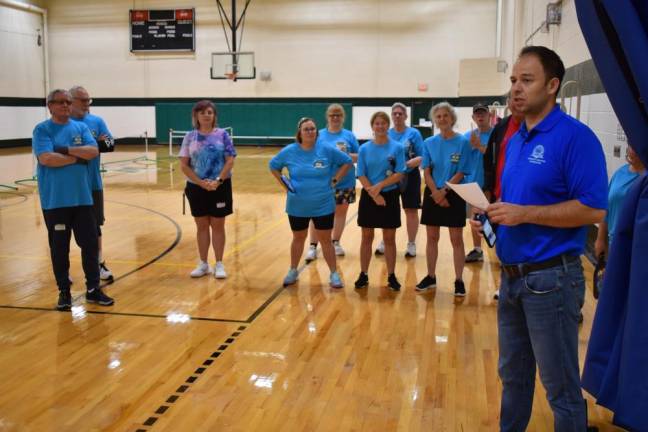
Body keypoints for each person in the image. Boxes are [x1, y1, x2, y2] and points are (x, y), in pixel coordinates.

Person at [471, 46, 608, 431]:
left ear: (552, 86)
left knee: (560, 388)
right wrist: (493, 218)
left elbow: (594, 209)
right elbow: (516, 205)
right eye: (514, 80)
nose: (516, 88)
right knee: (512, 378)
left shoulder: (575, 138)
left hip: (552, 281)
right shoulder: (516, 140)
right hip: (511, 280)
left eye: (526, 80)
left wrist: (524, 214)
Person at [32, 89, 114, 310]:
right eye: (60, 102)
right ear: (49, 106)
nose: (65, 106)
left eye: (68, 102)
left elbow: (94, 151)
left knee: (89, 245)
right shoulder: (42, 130)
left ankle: (93, 289)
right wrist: (76, 158)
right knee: (59, 249)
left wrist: (66, 151)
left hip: (83, 199)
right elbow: (47, 158)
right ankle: (64, 292)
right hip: (56, 201)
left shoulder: (81, 127)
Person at [269, 117, 352, 288]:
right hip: (297, 205)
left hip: (323, 204)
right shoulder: (290, 151)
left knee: (325, 240)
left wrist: (335, 180)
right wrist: (285, 184)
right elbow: (273, 166)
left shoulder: (326, 149)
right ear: (299, 132)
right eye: (306, 129)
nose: (310, 132)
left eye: (313, 128)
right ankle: (293, 270)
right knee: (298, 238)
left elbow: (347, 162)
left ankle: (334, 274)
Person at [415, 102, 471, 297]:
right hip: (432, 192)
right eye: (438, 116)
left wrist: (444, 192)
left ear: (452, 118)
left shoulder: (463, 142)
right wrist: (436, 193)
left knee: (456, 239)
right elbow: (427, 171)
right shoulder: (429, 142)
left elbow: (462, 171)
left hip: (454, 193)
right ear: (434, 120)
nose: (442, 119)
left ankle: (459, 280)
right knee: (432, 238)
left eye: (445, 115)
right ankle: (431, 277)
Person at [179, 100, 236, 279]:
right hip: (197, 187)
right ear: (196, 116)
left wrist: (218, 180)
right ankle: (203, 263)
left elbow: (230, 160)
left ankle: (219, 263)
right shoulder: (190, 137)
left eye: (209, 112)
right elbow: (184, 165)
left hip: (220, 186)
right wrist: (201, 182)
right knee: (201, 225)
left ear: (214, 116)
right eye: (202, 112)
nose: (206, 115)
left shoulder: (223, 135)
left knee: (218, 225)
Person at [355, 111, 406, 291]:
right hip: (370, 197)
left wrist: (381, 187)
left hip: (390, 197)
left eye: (383, 123)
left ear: (388, 125)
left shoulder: (397, 147)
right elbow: (360, 173)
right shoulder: (364, 149)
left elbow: (400, 172)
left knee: (389, 238)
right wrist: (375, 194)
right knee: (366, 237)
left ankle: (391, 275)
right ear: (372, 126)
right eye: (377, 123)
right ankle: (363, 274)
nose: (380, 126)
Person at [69, 85, 115, 281]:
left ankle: (98, 262)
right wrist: (92, 145)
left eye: (89, 100)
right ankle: (65, 269)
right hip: (68, 185)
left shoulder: (97, 121)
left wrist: (82, 148)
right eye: (83, 100)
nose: (87, 104)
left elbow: (110, 144)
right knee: (65, 228)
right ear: (70, 101)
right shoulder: (63, 124)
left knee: (95, 226)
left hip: (93, 183)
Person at [305, 104, 359, 261]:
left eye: (338, 115)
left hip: (345, 181)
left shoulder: (349, 136)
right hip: (322, 183)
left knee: (340, 214)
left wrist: (345, 155)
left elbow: (359, 156)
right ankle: (313, 246)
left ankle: (336, 242)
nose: (335, 117)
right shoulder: (319, 135)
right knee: (317, 214)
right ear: (327, 117)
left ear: (343, 117)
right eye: (332, 115)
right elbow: (310, 155)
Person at [483, 97, 524, 300]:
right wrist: (489, 190)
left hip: (523, 201)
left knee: (521, 243)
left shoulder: (537, 130)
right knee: (502, 241)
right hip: (499, 195)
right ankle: (505, 283)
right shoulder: (502, 128)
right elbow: (489, 160)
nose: (516, 100)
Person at [374, 102, 424, 258]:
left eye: (400, 113)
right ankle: (384, 240)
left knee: (410, 210)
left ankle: (411, 244)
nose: (397, 116)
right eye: (394, 113)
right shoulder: (386, 133)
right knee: (388, 210)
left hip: (410, 176)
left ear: (405, 116)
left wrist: (407, 164)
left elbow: (422, 156)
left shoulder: (414, 134)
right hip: (390, 177)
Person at [595, 144, 645, 259]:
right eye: (630, 145)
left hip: (637, 248)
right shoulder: (620, 173)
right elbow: (606, 207)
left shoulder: (644, 179)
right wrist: (601, 239)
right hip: (615, 244)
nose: (631, 150)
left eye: (635, 146)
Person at [463, 103, 493, 263]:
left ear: (489, 115)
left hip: (493, 186)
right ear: (473, 117)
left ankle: (503, 252)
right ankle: (477, 250)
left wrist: (479, 146)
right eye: (477, 114)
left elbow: (495, 156)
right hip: (473, 184)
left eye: (483, 113)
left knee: (496, 219)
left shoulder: (496, 134)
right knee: (475, 219)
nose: (480, 116)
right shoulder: (467, 136)